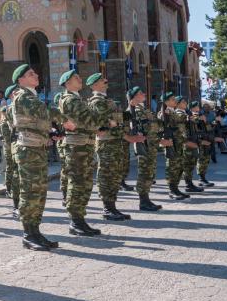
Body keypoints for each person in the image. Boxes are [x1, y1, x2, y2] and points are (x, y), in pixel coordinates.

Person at [9, 64, 75, 251]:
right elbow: (44, 112)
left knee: (38, 192)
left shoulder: (31, 96)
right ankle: (29, 234)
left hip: (36, 148)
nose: (36, 75)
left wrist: (51, 133)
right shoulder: (23, 97)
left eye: (35, 72)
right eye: (31, 74)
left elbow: (38, 122)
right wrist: (64, 119)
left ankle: (35, 231)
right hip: (28, 150)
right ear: (21, 80)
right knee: (31, 192)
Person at [85, 73, 143, 220]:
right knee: (107, 174)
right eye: (102, 80)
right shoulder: (97, 101)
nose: (106, 81)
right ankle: (107, 208)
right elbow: (107, 123)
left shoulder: (107, 100)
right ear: (95, 85)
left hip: (115, 141)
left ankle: (112, 207)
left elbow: (116, 120)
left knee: (116, 174)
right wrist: (128, 137)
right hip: (107, 142)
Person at [55, 70, 105, 236]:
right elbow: (90, 121)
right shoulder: (70, 100)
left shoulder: (77, 99)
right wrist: (100, 121)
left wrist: (96, 121)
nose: (80, 78)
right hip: (77, 147)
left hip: (84, 146)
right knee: (78, 184)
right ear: (67, 83)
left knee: (85, 183)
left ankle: (80, 219)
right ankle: (76, 221)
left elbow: (90, 122)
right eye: (76, 78)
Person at [126, 87, 170, 211]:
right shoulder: (134, 110)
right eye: (140, 93)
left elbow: (155, 126)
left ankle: (146, 199)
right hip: (144, 146)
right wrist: (160, 140)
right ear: (134, 96)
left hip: (151, 146)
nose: (144, 94)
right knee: (144, 173)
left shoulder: (143, 110)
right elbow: (145, 130)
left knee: (149, 173)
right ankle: (143, 201)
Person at [159, 92, 193, 199]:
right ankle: (172, 190)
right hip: (171, 143)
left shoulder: (173, 112)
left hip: (178, 142)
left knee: (179, 166)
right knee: (172, 167)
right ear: (166, 101)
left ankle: (176, 188)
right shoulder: (164, 113)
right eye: (172, 99)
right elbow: (161, 127)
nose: (175, 101)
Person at [0, 85, 20, 218]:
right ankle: (9, 189)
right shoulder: (4, 123)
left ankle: (11, 190)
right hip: (9, 146)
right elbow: (8, 137)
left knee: (12, 169)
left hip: (12, 146)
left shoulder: (5, 120)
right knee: (11, 169)